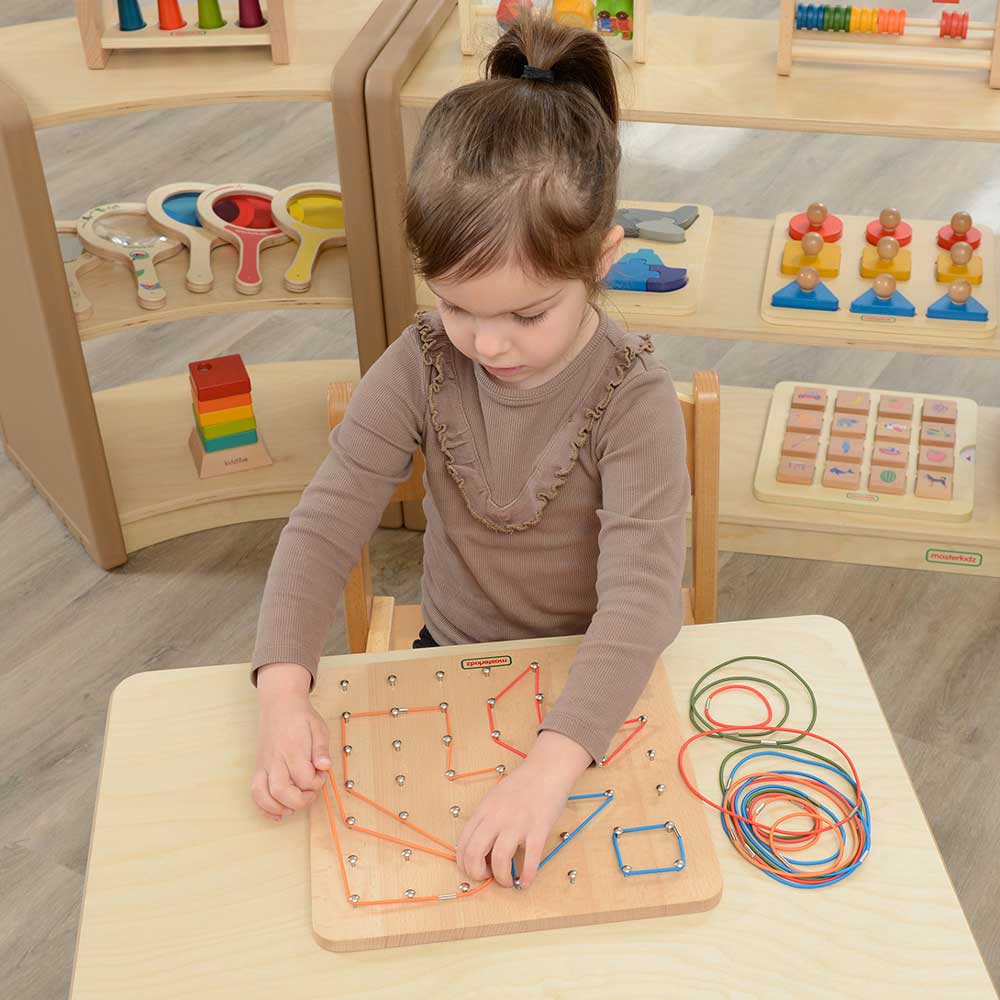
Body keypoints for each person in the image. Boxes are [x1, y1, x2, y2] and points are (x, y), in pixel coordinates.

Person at [249, 12, 689, 892]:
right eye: (455, 305)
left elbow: (641, 604)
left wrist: (550, 765)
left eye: (527, 314)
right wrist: (283, 693)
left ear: (603, 259)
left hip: (593, 678)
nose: (486, 344)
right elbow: (324, 527)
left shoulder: (634, 400)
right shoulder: (420, 361)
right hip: (447, 654)